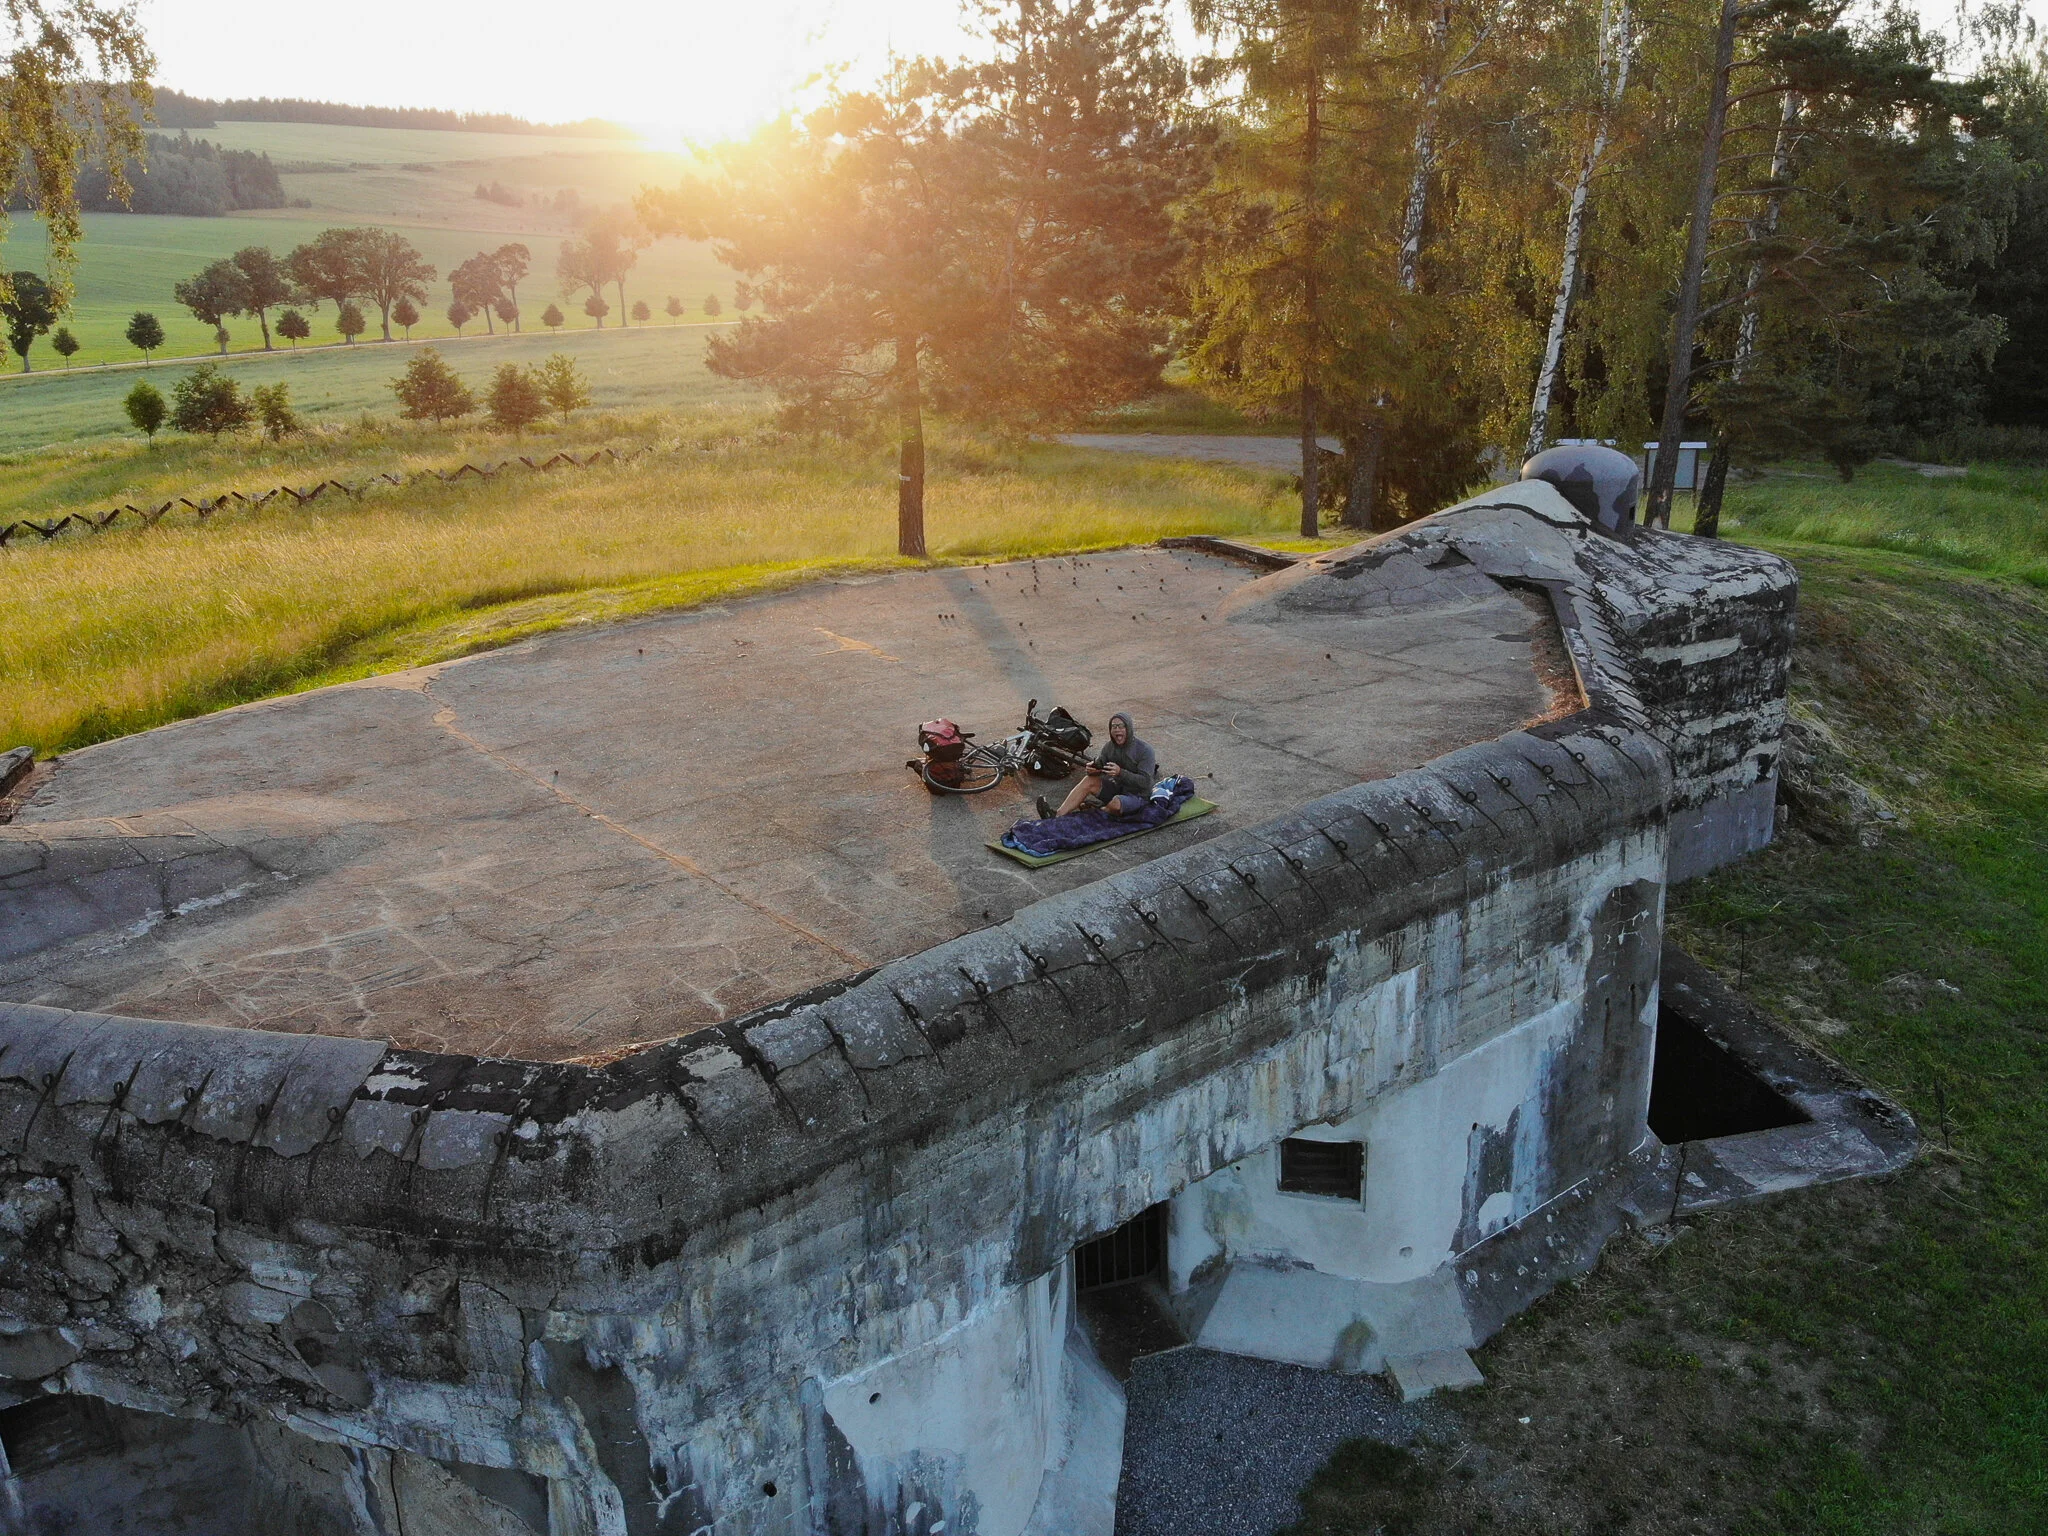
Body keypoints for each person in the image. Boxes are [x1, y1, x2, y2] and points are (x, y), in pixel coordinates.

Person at [1038, 711, 1157, 819]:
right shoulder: (1109, 747)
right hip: (1118, 789)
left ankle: (1098, 809)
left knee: (1115, 804)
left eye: (1121, 726)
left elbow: (1146, 782)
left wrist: (1121, 773)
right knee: (1089, 780)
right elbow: (1099, 764)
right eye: (1113, 727)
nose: (1117, 730)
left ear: (1129, 728)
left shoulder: (1145, 750)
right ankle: (1056, 815)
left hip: (1139, 796)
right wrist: (1092, 769)